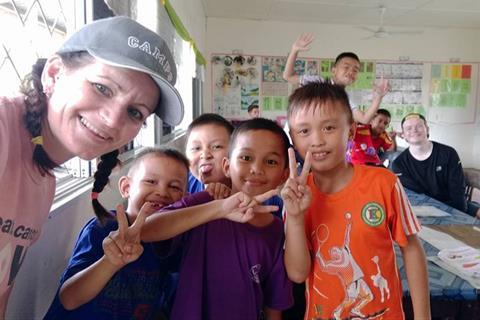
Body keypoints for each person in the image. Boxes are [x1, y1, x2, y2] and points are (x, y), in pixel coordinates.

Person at [0, 16, 184, 315]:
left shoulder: (43, 181)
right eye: (102, 88)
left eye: (135, 112)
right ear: (54, 74)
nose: (113, 120)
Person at [281, 82, 430, 319]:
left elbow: (411, 248)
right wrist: (296, 218)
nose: (317, 140)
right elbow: (298, 274)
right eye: (304, 131)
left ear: (350, 130)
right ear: (293, 138)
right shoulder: (295, 195)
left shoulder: (384, 183)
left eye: (329, 127)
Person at [141, 118, 294, 319]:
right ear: (227, 166)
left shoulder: (275, 229)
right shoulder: (204, 202)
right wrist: (219, 208)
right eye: (246, 158)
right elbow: (147, 230)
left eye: (271, 161)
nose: (256, 169)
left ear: (284, 175)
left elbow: (274, 303)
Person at [44, 148, 190, 319]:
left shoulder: (171, 241)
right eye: (151, 181)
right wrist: (110, 262)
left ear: (185, 199)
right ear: (126, 187)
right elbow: (69, 299)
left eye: (174, 186)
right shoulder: (103, 229)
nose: (162, 192)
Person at [282, 33, 389, 125]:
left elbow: (364, 119)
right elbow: (288, 76)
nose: (351, 72)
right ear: (334, 70)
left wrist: (378, 98)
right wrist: (294, 51)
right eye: (346, 67)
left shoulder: (345, 97)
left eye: (355, 70)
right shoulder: (318, 82)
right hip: (300, 131)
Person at [392, 113, 468, 212]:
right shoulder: (399, 164)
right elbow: (415, 196)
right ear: (403, 135)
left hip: (452, 207)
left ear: (427, 129)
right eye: (409, 128)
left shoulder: (448, 153)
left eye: (419, 126)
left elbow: (457, 191)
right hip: (422, 210)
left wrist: (460, 215)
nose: (414, 130)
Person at [184, 113, 234, 194]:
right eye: (196, 148)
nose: (205, 155)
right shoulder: (183, 183)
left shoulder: (246, 184)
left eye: (216, 147)